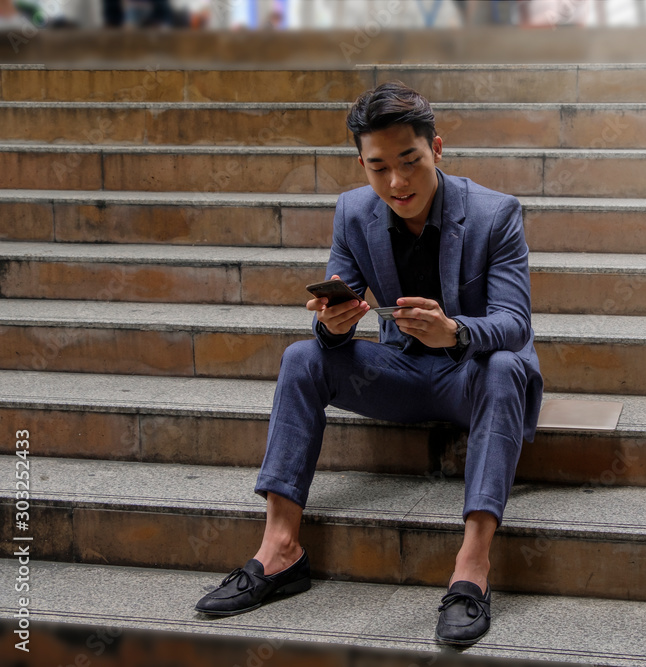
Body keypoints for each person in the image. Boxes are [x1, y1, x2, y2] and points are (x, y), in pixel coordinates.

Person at [195, 82, 543, 647]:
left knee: (506, 366)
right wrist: (332, 325)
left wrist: (454, 331)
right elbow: (337, 300)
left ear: (437, 149)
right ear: (362, 164)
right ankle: (280, 549)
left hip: (472, 376)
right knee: (303, 356)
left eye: (410, 162)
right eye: (378, 168)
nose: (397, 183)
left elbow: (514, 323)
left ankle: (472, 569)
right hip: (399, 369)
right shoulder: (355, 212)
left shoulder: (494, 213)